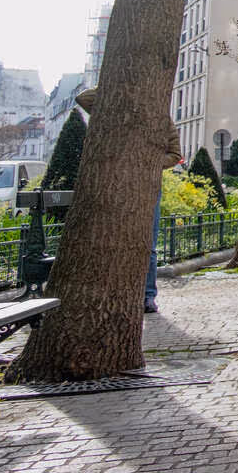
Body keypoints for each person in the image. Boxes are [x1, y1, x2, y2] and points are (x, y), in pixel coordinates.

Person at [74, 86, 179, 314]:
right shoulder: (115, 112)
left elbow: (175, 155)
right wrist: (119, 86)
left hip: (148, 188)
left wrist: (149, 162)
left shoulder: (163, 121)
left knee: (148, 246)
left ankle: (147, 296)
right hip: (114, 185)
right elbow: (83, 98)